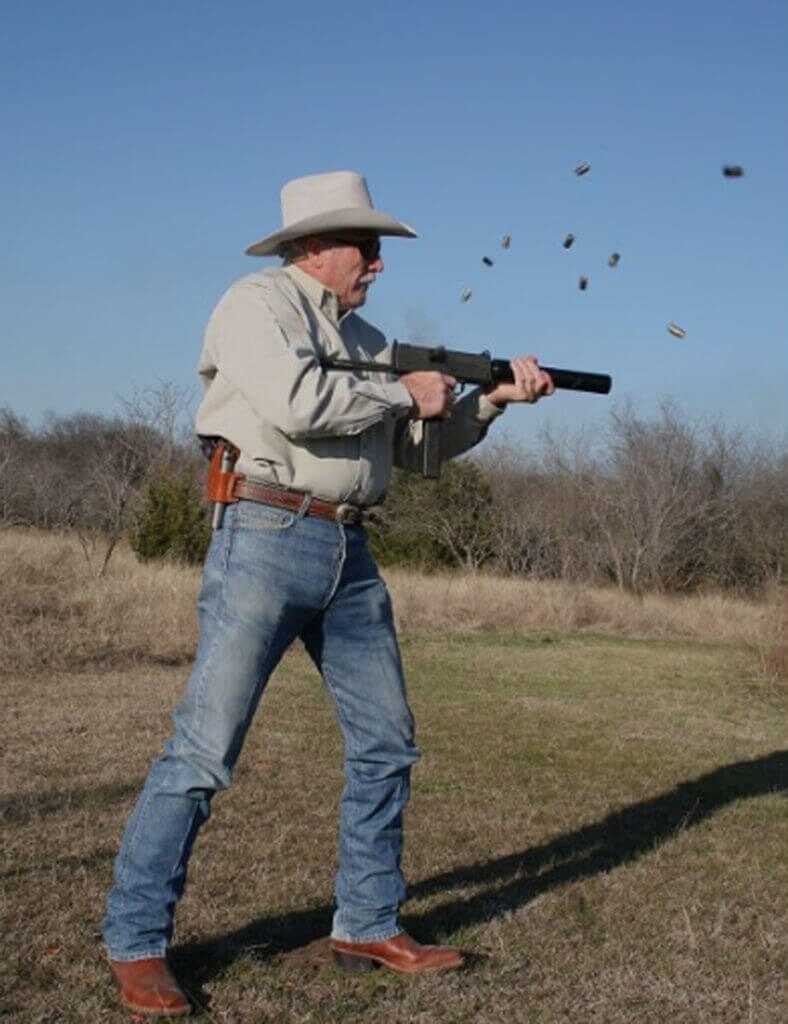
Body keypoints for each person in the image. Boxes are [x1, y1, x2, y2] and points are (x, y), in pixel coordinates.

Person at [103, 170, 555, 1016]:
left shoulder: (371, 338)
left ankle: (367, 922)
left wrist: (488, 405)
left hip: (350, 544)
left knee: (388, 743)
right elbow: (297, 399)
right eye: (367, 246)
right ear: (316, 247)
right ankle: (136, 942)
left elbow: (416, 453)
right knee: (202, 754)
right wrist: (402, 391)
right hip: (266, 535)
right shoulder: (254, 304)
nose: (379, 264)